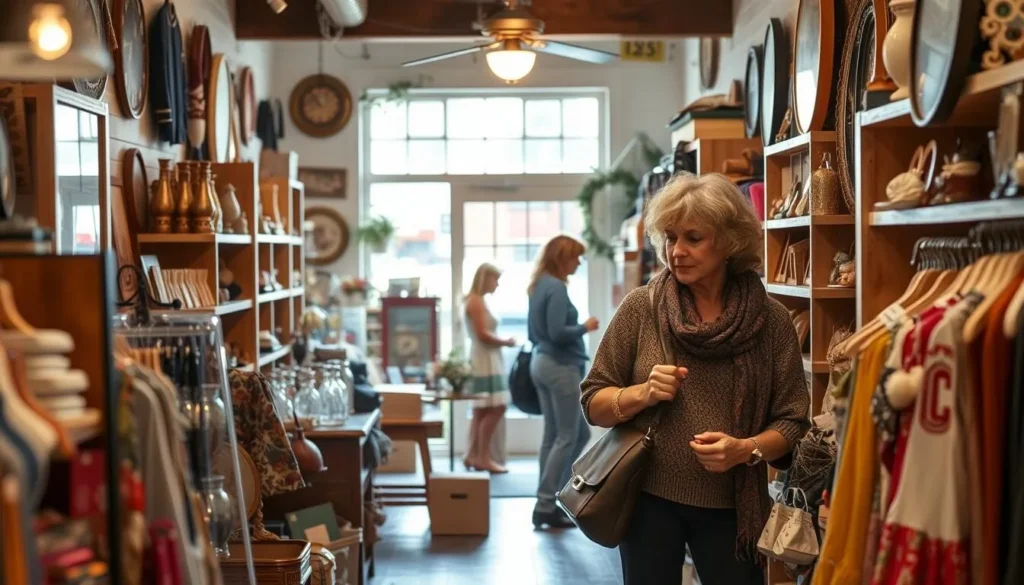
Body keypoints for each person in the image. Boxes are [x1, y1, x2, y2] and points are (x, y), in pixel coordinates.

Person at [581, 173, 810, 585]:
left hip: (733, 509)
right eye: (670, 238)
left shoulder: (770, 321)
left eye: (693, 238)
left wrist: (745, 449)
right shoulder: (642, 308)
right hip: (647, 500)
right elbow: (593, 401)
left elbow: (793, 421)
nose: (676, 252)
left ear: (728, 242)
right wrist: (642, 393)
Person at [527, 234, 600, 529]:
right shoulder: (556, 287)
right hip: (560, 365)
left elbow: (541, 331)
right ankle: (547, 502)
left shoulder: (539, 283)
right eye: (576, 257)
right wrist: (585, 327)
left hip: (541, 361)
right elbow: (558, 331)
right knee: (571, 435)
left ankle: (546, 500)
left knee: (555, 436)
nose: (579, 262)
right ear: (562, 258)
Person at [462, 262, 516, 474]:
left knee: (481, 409)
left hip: (486, 358)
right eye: (496, 280)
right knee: (496, 407)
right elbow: (482, 334)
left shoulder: (478, 300)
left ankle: (472, 455)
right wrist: (506, 342)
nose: (497, 285)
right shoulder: (475, 301)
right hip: (485, 360)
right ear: (486, 279)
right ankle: (482, 457)